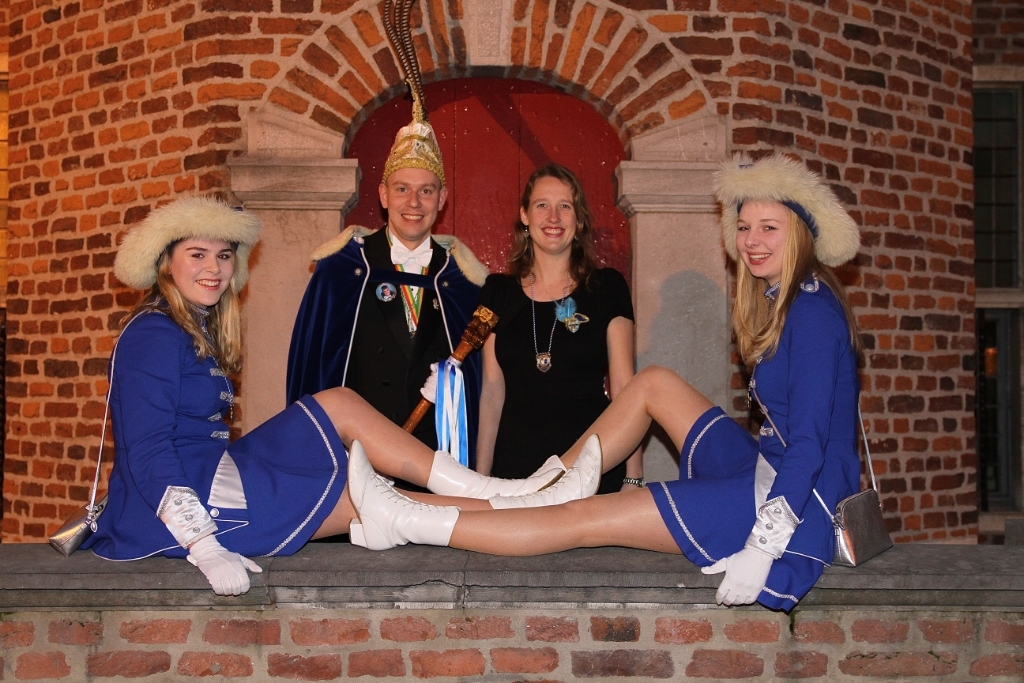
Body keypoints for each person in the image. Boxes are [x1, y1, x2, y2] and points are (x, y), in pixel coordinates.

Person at [344, 153, 865, 611]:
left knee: (583, 516)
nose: (752, 241)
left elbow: (811, 443)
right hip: (768, 465)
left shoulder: (813, 312)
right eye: (745, 227)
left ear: (799, 233)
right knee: (654, 383)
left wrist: (764, 546)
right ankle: (533, 488)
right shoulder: (790, 300)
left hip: (797, 498)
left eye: (769, 228)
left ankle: (409, 517)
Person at [83, 195, 599, 596]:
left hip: (215, 471)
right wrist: (202, 544)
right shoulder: (152, 334)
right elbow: (147, 451)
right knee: (378, 500)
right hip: (180, 510)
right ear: (165, 263)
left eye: (222, 256)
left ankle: (503, 493)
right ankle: (521, 505)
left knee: (338, 403)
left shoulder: (185, 326)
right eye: (196, 255)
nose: (214, 269)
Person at [286, 90, 488, 455]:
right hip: (357, 454)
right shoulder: (342, 271)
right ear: (383, 195)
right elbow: (311, 369)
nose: (414, 203)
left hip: (435, 456)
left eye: (426, 191)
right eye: (402, 189)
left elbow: (481, 389)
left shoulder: (461, 282)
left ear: (442, 199)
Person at [475, 163, 642, 493]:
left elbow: (626, 390)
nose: (553, 217)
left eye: (565, 206)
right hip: (515, 473)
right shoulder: (497, 292)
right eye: (542, 205)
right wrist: (479, 480)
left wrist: (633, 477)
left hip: (591, 470)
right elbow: (492, 391)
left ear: (578, 220)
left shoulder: (607, 288)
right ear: (525, 215)